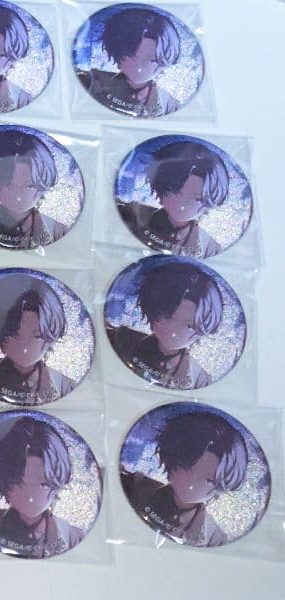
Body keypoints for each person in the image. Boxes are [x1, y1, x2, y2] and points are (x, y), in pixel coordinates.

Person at [121, 410, 247, 547]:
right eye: (186, 465)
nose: (192, 480)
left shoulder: (213, 536)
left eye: (211, 482)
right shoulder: (136, 485)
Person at [0, 416, 84, 558]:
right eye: (18, 483)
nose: (30, 497)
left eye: (43, 484)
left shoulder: (73, 537)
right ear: (2, 479)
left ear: (59, 480)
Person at [0, 273, 76, 404]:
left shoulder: (66, 387)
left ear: (51, 336)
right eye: (15, 335)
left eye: (37, 336)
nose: (25, 348)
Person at [108, 261, 223, 389]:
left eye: (189, 326)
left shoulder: (198, 377)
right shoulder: (123, 338)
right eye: (167, 316)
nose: (173, 331)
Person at [0, 129, 67, 248]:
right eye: (9, 185)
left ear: (44, 184)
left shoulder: (58, 232)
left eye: (29, 186)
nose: (18, 196)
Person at [119, 140, 229, 257]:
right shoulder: (131, 215)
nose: (205, 210)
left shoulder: (210, 247)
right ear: (168, 186)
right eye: (198, 199)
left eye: (208, 203)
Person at [77, 7, 182, 117]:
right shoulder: (90, 82)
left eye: (164, 62)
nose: (161, 69)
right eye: (154, 60)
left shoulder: (169, 105)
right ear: (124, 54)